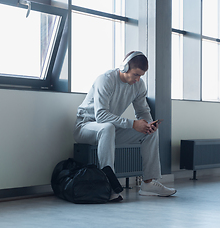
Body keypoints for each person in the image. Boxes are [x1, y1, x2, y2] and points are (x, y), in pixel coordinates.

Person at [73, 51, 177, 201]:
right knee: (107, 127)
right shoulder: (106, 80)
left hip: (109, 130)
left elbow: (143, 111)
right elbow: (101, 116)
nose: (137, 79)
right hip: (85, 127)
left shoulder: (139, 85)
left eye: (141, 75)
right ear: (124, 67)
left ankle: (148, 183)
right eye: (135, 74)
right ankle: (109, 183)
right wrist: (132, 124)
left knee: (150, 133)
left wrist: (148, 125)